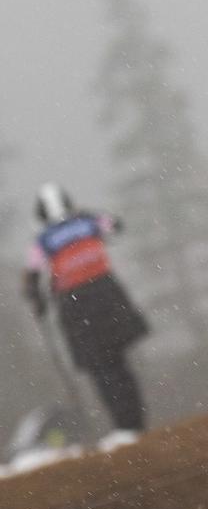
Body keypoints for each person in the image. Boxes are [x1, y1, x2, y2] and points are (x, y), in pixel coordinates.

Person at [22, 183, 149, 441]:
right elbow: (115, 225)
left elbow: (32, 276)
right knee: (118, 362)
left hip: (75, 305)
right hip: (108, 295)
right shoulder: (88, 221)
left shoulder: (44, 241)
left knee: (100, 368)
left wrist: (37, 301)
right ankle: (135, 421)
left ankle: (125, 427)